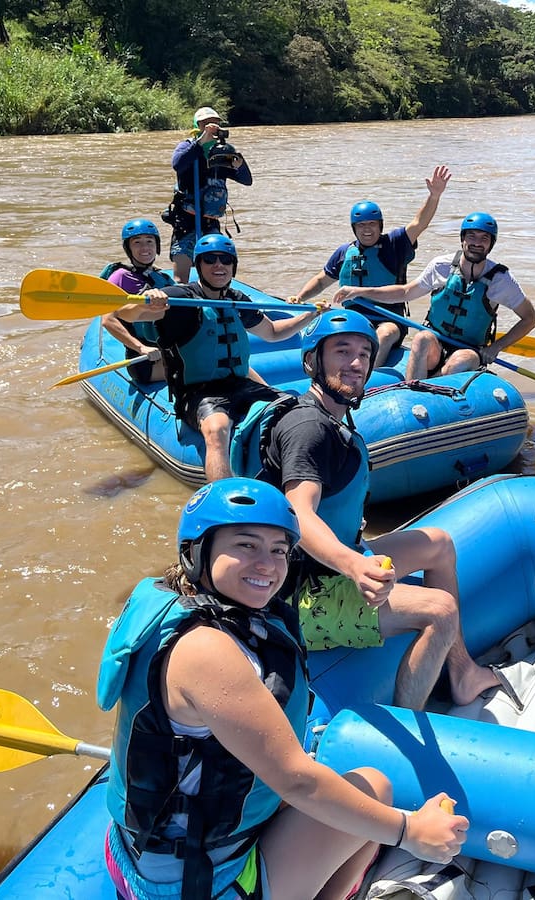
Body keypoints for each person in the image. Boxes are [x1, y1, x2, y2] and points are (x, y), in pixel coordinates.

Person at [97, 478, 467, 900]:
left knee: (351, 797)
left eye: (278, 550)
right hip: (193, 881)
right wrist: (409, 831)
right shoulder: (205, 650)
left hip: (151, 850)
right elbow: (298, 782)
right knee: (374, 792)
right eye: (246, 545)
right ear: (197, 552)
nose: (268, 565)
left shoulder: (184, 608)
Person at [255, 309, 500, 709]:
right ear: (311, 361)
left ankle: (461, 672)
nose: (355, 363)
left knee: (438, 543)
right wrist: (355, 567)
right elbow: (298, 512)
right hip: (305, 595)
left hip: (331, 566)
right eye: (341, 351)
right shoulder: (308, 429)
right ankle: (409, 718)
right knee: (441, 610)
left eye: (365, 354)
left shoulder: (334, 417)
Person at [112, 234, 319, 484]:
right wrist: (150, 302)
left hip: (241, 384)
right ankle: (222, 499)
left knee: (295, 408)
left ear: (233, 266)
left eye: (225, 260)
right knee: (217, 429)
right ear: (199, 265)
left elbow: (273, 332)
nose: (218, 266)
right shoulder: (179, 298)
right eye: (210, 260)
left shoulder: (237, 300)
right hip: (198, 391)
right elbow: (127, 314)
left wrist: (310, 315)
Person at [330, 212, 535, 382]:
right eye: (472, 237)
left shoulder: (501, 280)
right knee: (421, 338)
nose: (477, 243)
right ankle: (412, 389)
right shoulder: (442, 266)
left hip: (470, 349)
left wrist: (496, 347)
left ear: (491, 244)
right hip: (435, 342)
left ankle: (432, 386)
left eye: (484, 239)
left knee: (459, 362)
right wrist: (360, 291)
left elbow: (530, 319)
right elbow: (404, 292)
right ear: (463, 239)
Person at [289, 166, 452, 367]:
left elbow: (419, 223)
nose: (367, 230)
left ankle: (368, 379)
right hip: (354, 318)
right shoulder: (344, 252)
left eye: (372, 224)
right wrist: (300, 297)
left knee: (384, 334)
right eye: (362, 226)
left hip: (388, 319)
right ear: (354, 228)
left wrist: (434, 196)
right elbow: (322, 279)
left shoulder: (394, 244)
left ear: (380, 226)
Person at [165, 107, 252, 283]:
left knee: (213, 270)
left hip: (210, 221)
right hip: (187, 220)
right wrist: (200, 143)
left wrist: (239, 165)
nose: (212, 127)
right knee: (181, 277)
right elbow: (178, 164)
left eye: (215, 124)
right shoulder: (187, 146)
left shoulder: (222, 150)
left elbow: (246, 180)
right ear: (198, 126)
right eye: (206, 124)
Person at [100, 218, 176, 384]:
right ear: (128, 248)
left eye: (149, 242)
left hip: (168, 351)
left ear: (157, 246)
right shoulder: (119, 276)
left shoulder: (163, 278)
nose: (144, 248)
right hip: (143, 360)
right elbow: (107, 320)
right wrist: (141, 348)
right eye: (137, 243)